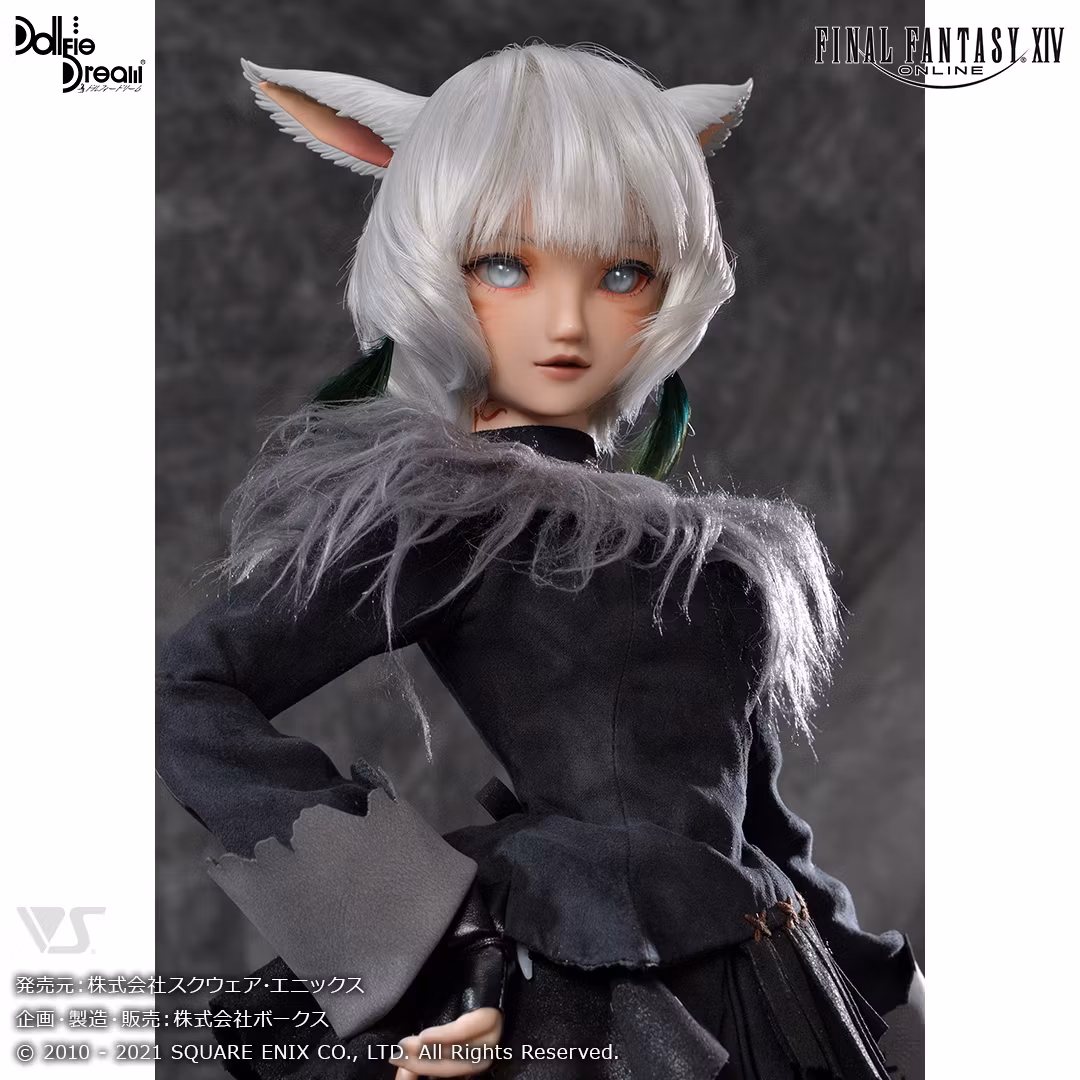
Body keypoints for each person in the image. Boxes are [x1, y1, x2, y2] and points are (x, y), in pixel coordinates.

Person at [156, 42, 924, 1080]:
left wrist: (887, 990)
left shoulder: (717, 559)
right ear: (432, 263)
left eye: (621, 273)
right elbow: (191, 685)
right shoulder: (460, 514)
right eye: (505, 265)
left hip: (771, 986)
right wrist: (424, 929)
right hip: (579, 990)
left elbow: (757, 825)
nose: (566, 321)